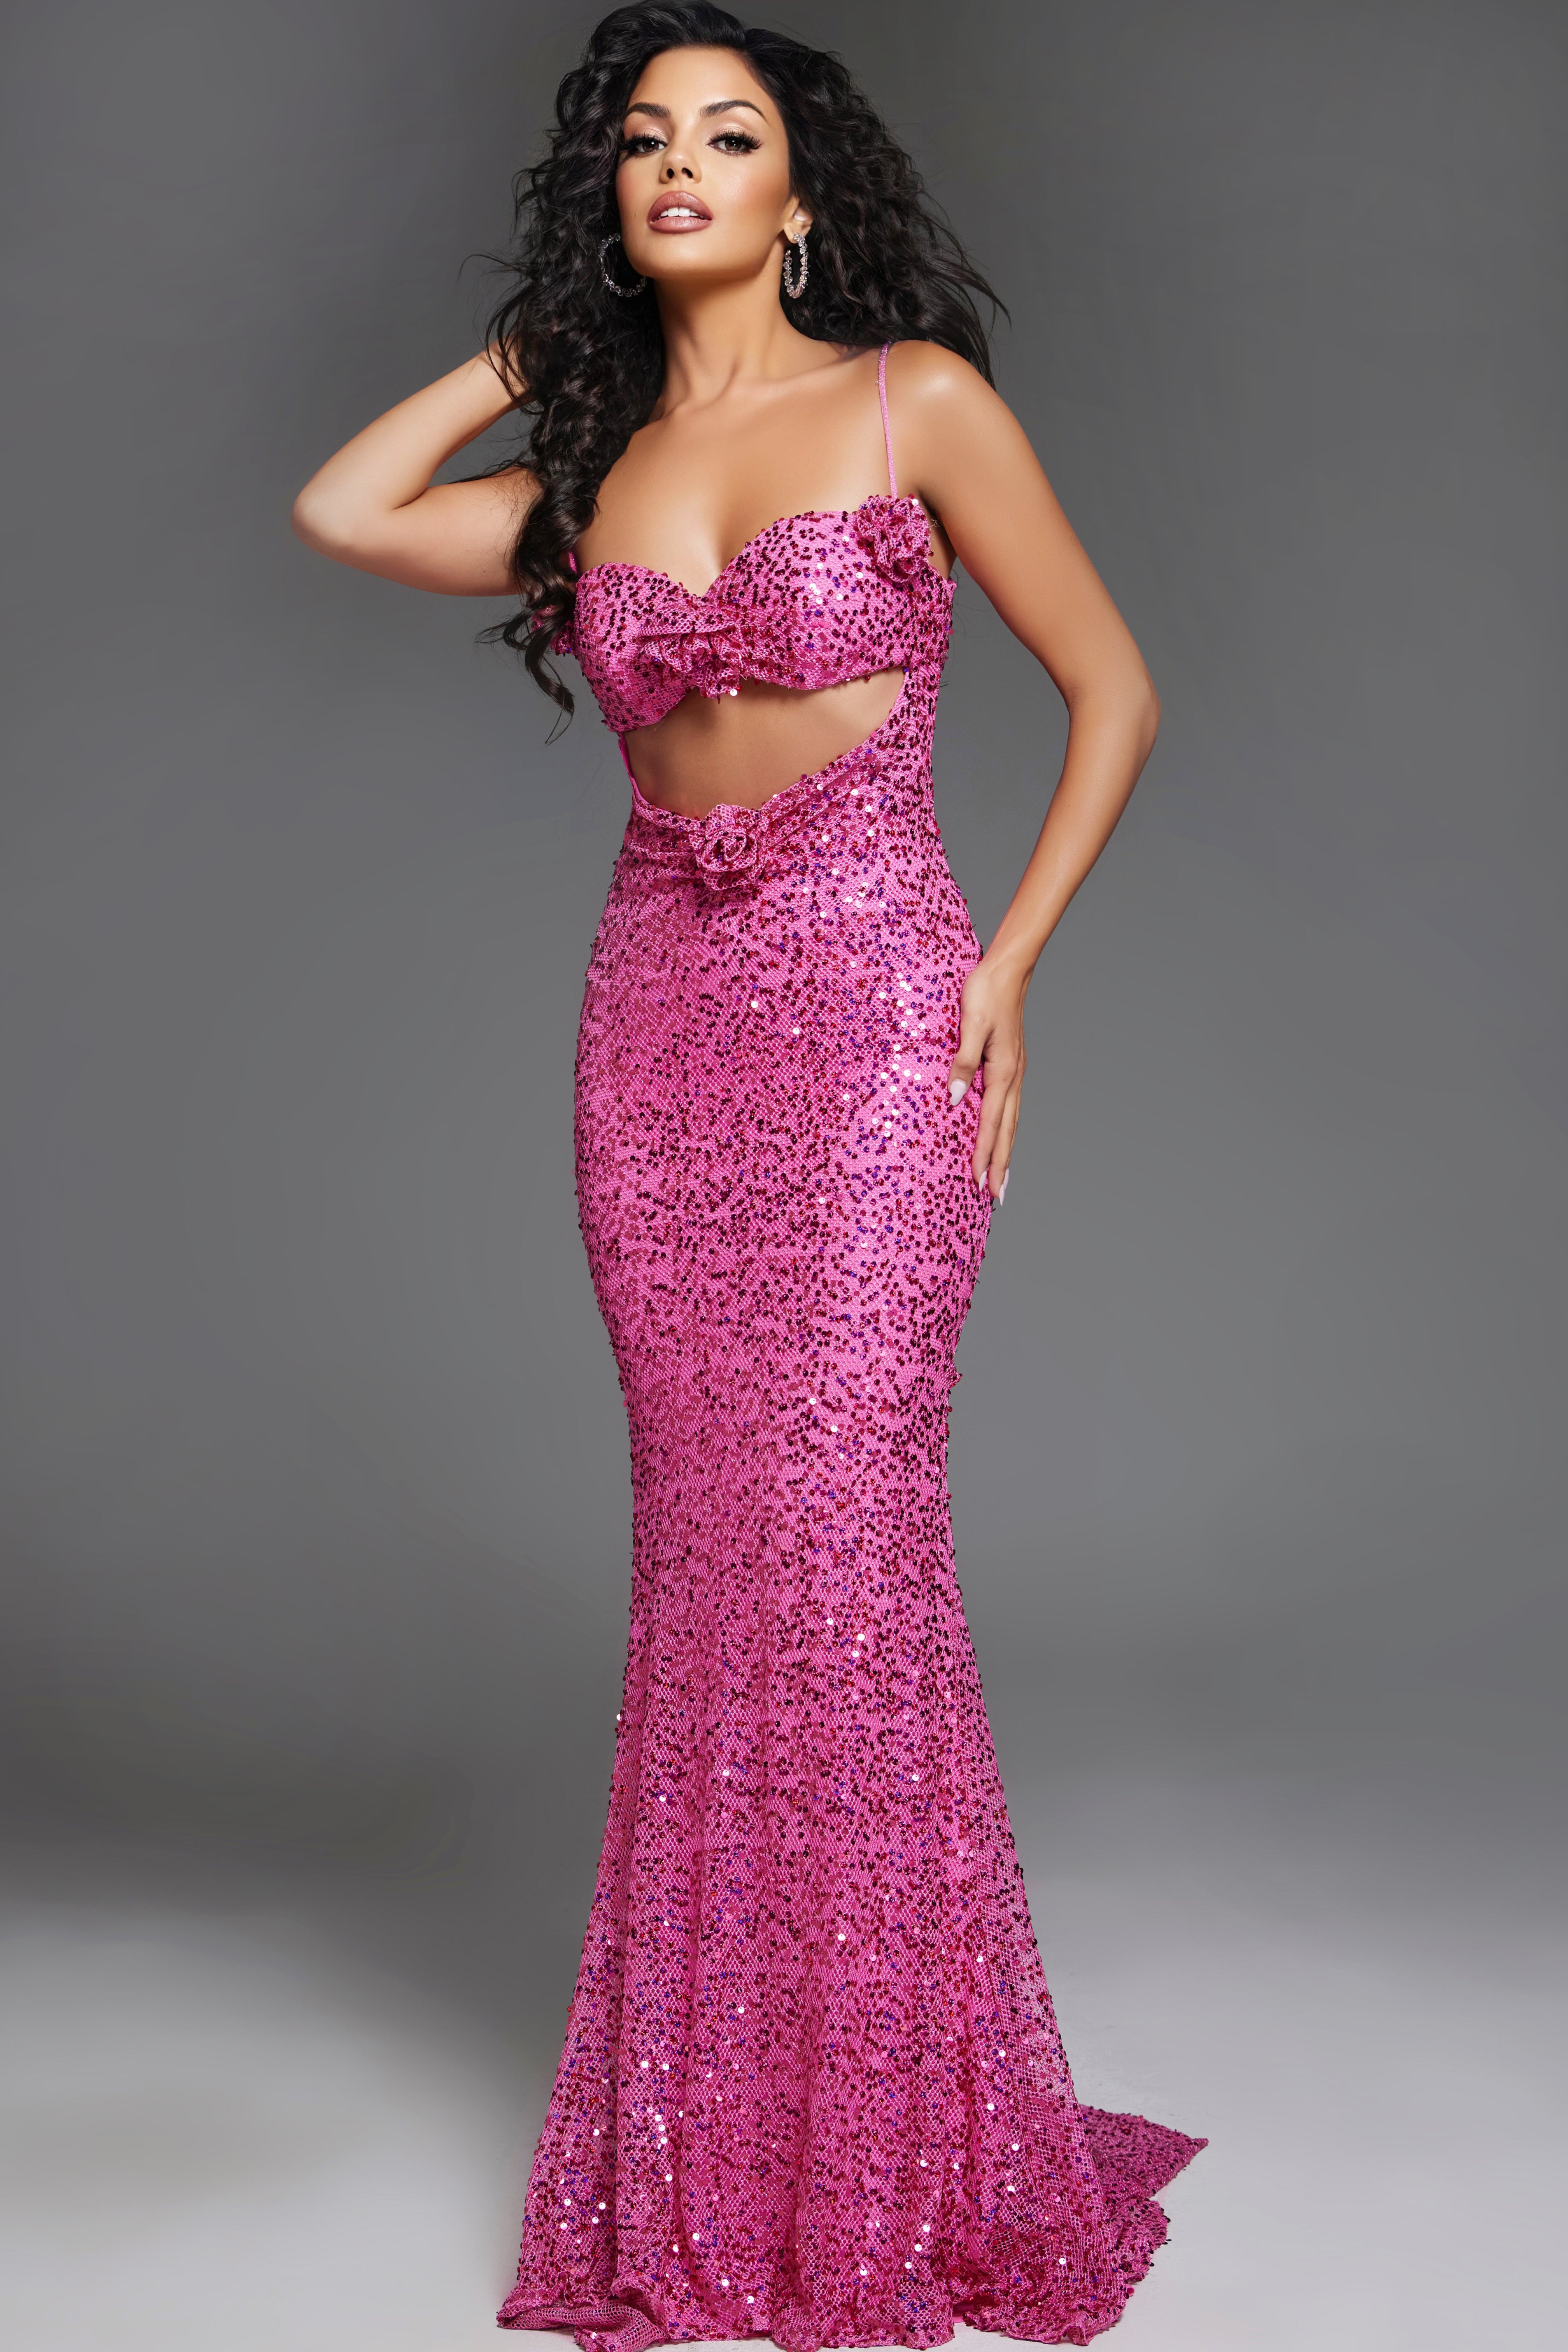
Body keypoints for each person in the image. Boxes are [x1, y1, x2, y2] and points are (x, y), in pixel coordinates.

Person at [292, 7, 1204, 2345]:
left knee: (841, 1546)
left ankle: (895, 2141)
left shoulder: (914, 404)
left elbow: (1113, 686)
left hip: (873, 1000)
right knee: (713, 1561)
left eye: (730, 134)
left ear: (802, 197)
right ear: (612, 200)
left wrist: (1007, 964)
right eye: (644, 140)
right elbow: (348, 510)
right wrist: (531, 351)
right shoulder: (591, 470)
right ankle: (725, 2142)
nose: (681, 162)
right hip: (658, 1029)